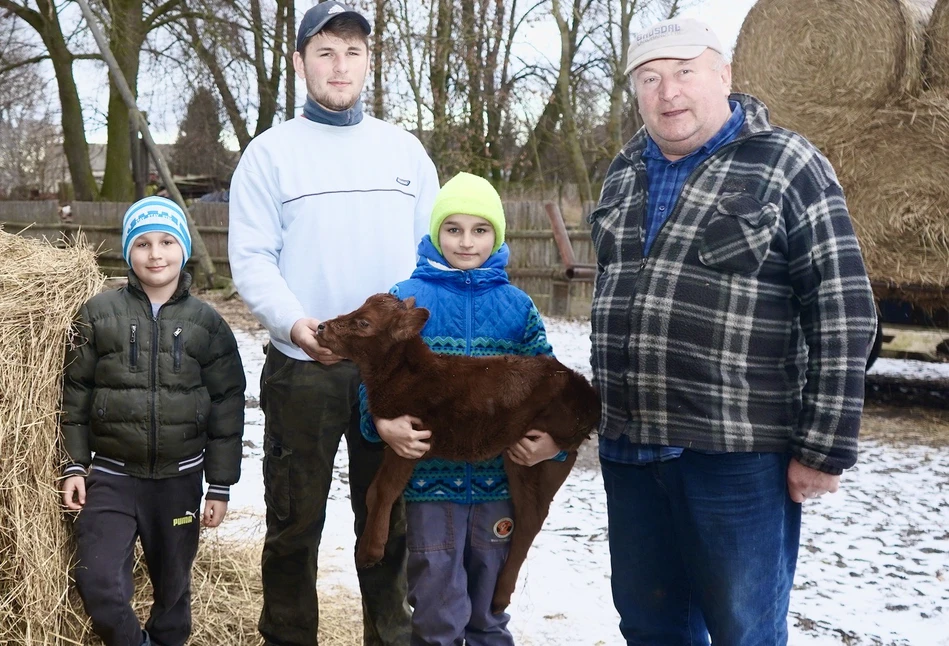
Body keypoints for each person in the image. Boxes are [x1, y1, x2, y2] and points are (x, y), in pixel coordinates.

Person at [590, 17, 877, 646]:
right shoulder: (622, 171)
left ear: (724, 74)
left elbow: (843, 305)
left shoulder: (786, 162)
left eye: (685, 71)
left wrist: (823, 446)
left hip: (736, 456)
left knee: (743, 631)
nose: (668, 92)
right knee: (648, 626)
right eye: (650, 77)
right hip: (631, 450)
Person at [226, 2, 439, 644]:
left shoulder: (404, 153)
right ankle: (289, 635)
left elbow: (431, 256)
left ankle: (390, 636)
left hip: (392, 375)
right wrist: (295, 325)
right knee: (294, 522)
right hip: (305, 367)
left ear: (369, 62)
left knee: (389, 516)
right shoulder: (270, 156)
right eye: (324, 51)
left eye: (352, 51)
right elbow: (253, 258)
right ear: (300, 63)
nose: (339, 65)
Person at [361, 172, 563, 646]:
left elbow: (551, 387)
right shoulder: (406, 299)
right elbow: (373, 374)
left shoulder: (517, 308)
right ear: (434, 233)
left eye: (480, 229)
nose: (466, 241)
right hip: (431, 486)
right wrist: (382, 422)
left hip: (498, 482)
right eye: (453, 229)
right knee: (436, 615)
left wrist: (552, 442)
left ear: (497, 235)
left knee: (489, 614)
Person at [60, 196, 246, 646]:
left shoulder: (207, 323)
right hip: (110, 476)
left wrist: (219, 484)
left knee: (173, 592)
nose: (155, 253)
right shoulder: (98, 314)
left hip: (179, 479)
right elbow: (75, 395)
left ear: (183, 249)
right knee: (99, 582)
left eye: (166, 241)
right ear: (128, 253)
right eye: (142, 243)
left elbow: (227, 403)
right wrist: (73, 464)